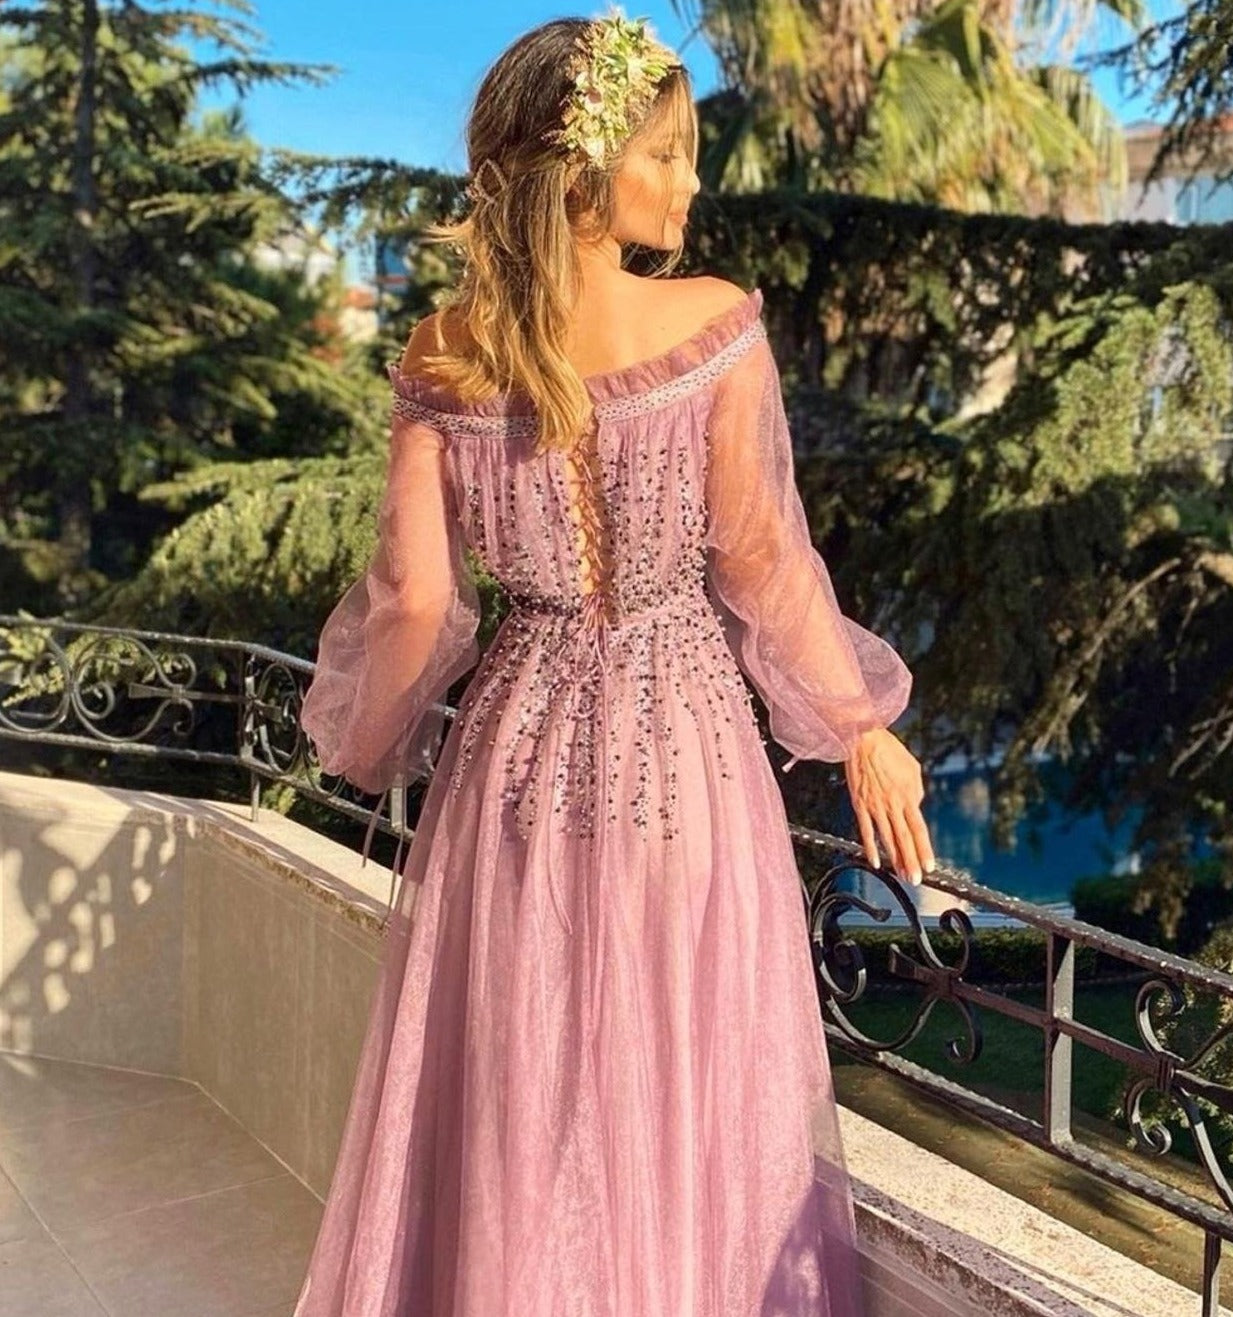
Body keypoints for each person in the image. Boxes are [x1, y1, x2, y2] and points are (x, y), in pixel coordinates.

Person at [295, 9, 934, 1314]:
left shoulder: (442, 352)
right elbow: (762, 560)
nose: (692, 180)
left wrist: (362, 744)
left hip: (515, 769)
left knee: (523, 1101)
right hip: (687, 759)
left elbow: (419, 602)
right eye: (665, 153)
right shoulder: (711, 325)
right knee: (684, 1087)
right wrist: (859, 725)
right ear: (584, 173)